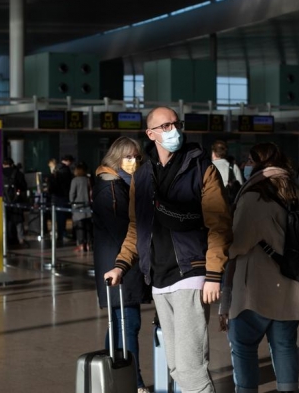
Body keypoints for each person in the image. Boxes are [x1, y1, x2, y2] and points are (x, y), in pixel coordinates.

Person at [104, 106, 231, 393]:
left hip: (191, 272)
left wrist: (213, 274)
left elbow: (219, 224)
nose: (173, 130)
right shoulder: (144, 175)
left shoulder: (201, 168)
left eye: (176, 124)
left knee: (190, 366)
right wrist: (121, 264)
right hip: (159, 278)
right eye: (165, 126)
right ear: (151, 134)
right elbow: (137, 227)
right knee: (175, 364)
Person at [219, 142, 299, 393]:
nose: (246, 165)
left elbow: (238, 243)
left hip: (258, 290)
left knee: (243, 346)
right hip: (291, 286)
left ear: (260, 164)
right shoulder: (297, 194)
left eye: (250, 160)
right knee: (285, 346)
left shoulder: (255, 197)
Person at [92, 137, 152, 393]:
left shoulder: (119, 186)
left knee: (118, 325)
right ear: (116, 158)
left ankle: (114, 377)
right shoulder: (113, 190)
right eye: (128, 157)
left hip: (118, 266)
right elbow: (125, 233)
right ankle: (132, 381)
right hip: (120, 268)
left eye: (137, 157)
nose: (134, 162)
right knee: (128, 324)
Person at [47, 155, 75, 244]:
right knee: (62, 216)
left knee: (58, 216)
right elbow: (67, 185)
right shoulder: (65, 170)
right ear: (68, 161)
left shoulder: (56, 168)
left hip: (55, 196)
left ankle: (59, 234)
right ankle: (62, 234)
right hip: (62, 196)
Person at [2, 157, 27, 247]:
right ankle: (20, 239)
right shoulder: (18, 174)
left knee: (7, 221)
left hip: (4, 201)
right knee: (19, 221)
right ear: (12, 164)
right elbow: (24, 187)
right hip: (17, 200)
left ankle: (7, 239)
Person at [70, 162, 93, 252]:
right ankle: (88, 244)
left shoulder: (75, 180)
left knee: (80, 227)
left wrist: (72, 203)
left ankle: (81, 245)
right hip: (87, 206)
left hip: (78, 207)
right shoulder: (87, 179)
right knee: (88, 227)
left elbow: (72, 194)